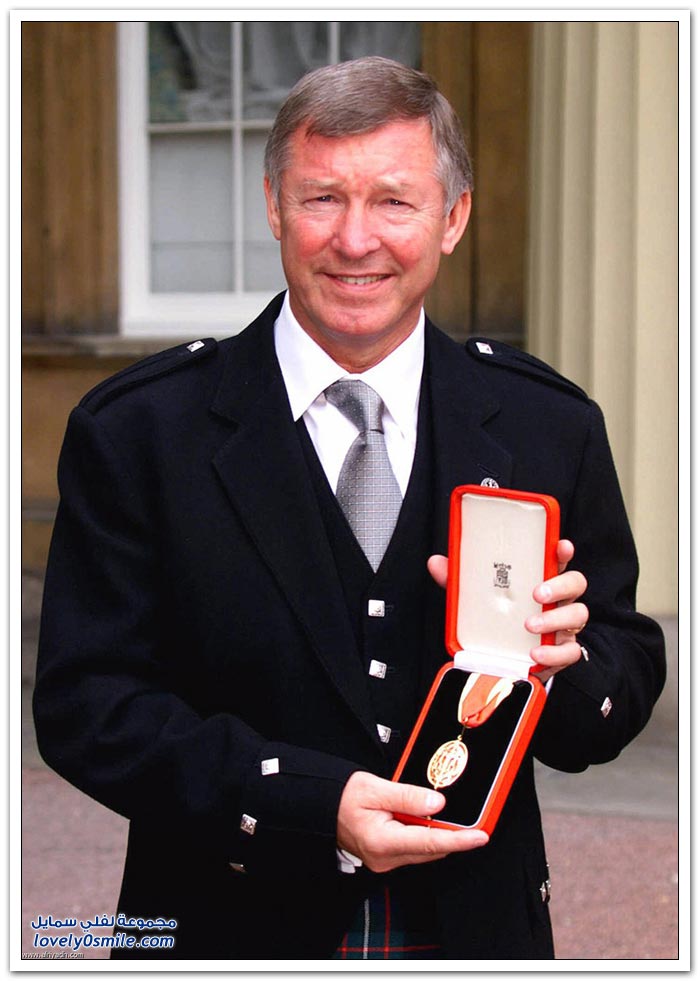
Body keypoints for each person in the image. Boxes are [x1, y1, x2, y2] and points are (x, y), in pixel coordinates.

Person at [33, 56, 665, 960]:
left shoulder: (547, 424)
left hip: (473, 935)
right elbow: (86, 706)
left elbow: (624, 667)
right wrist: (303, 804)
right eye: (322, 198)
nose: (355, 239)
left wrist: (564, 665)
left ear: (454, 218)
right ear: (273, 207)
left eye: (395, 202)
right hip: (221, 935)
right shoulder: (140, 431)